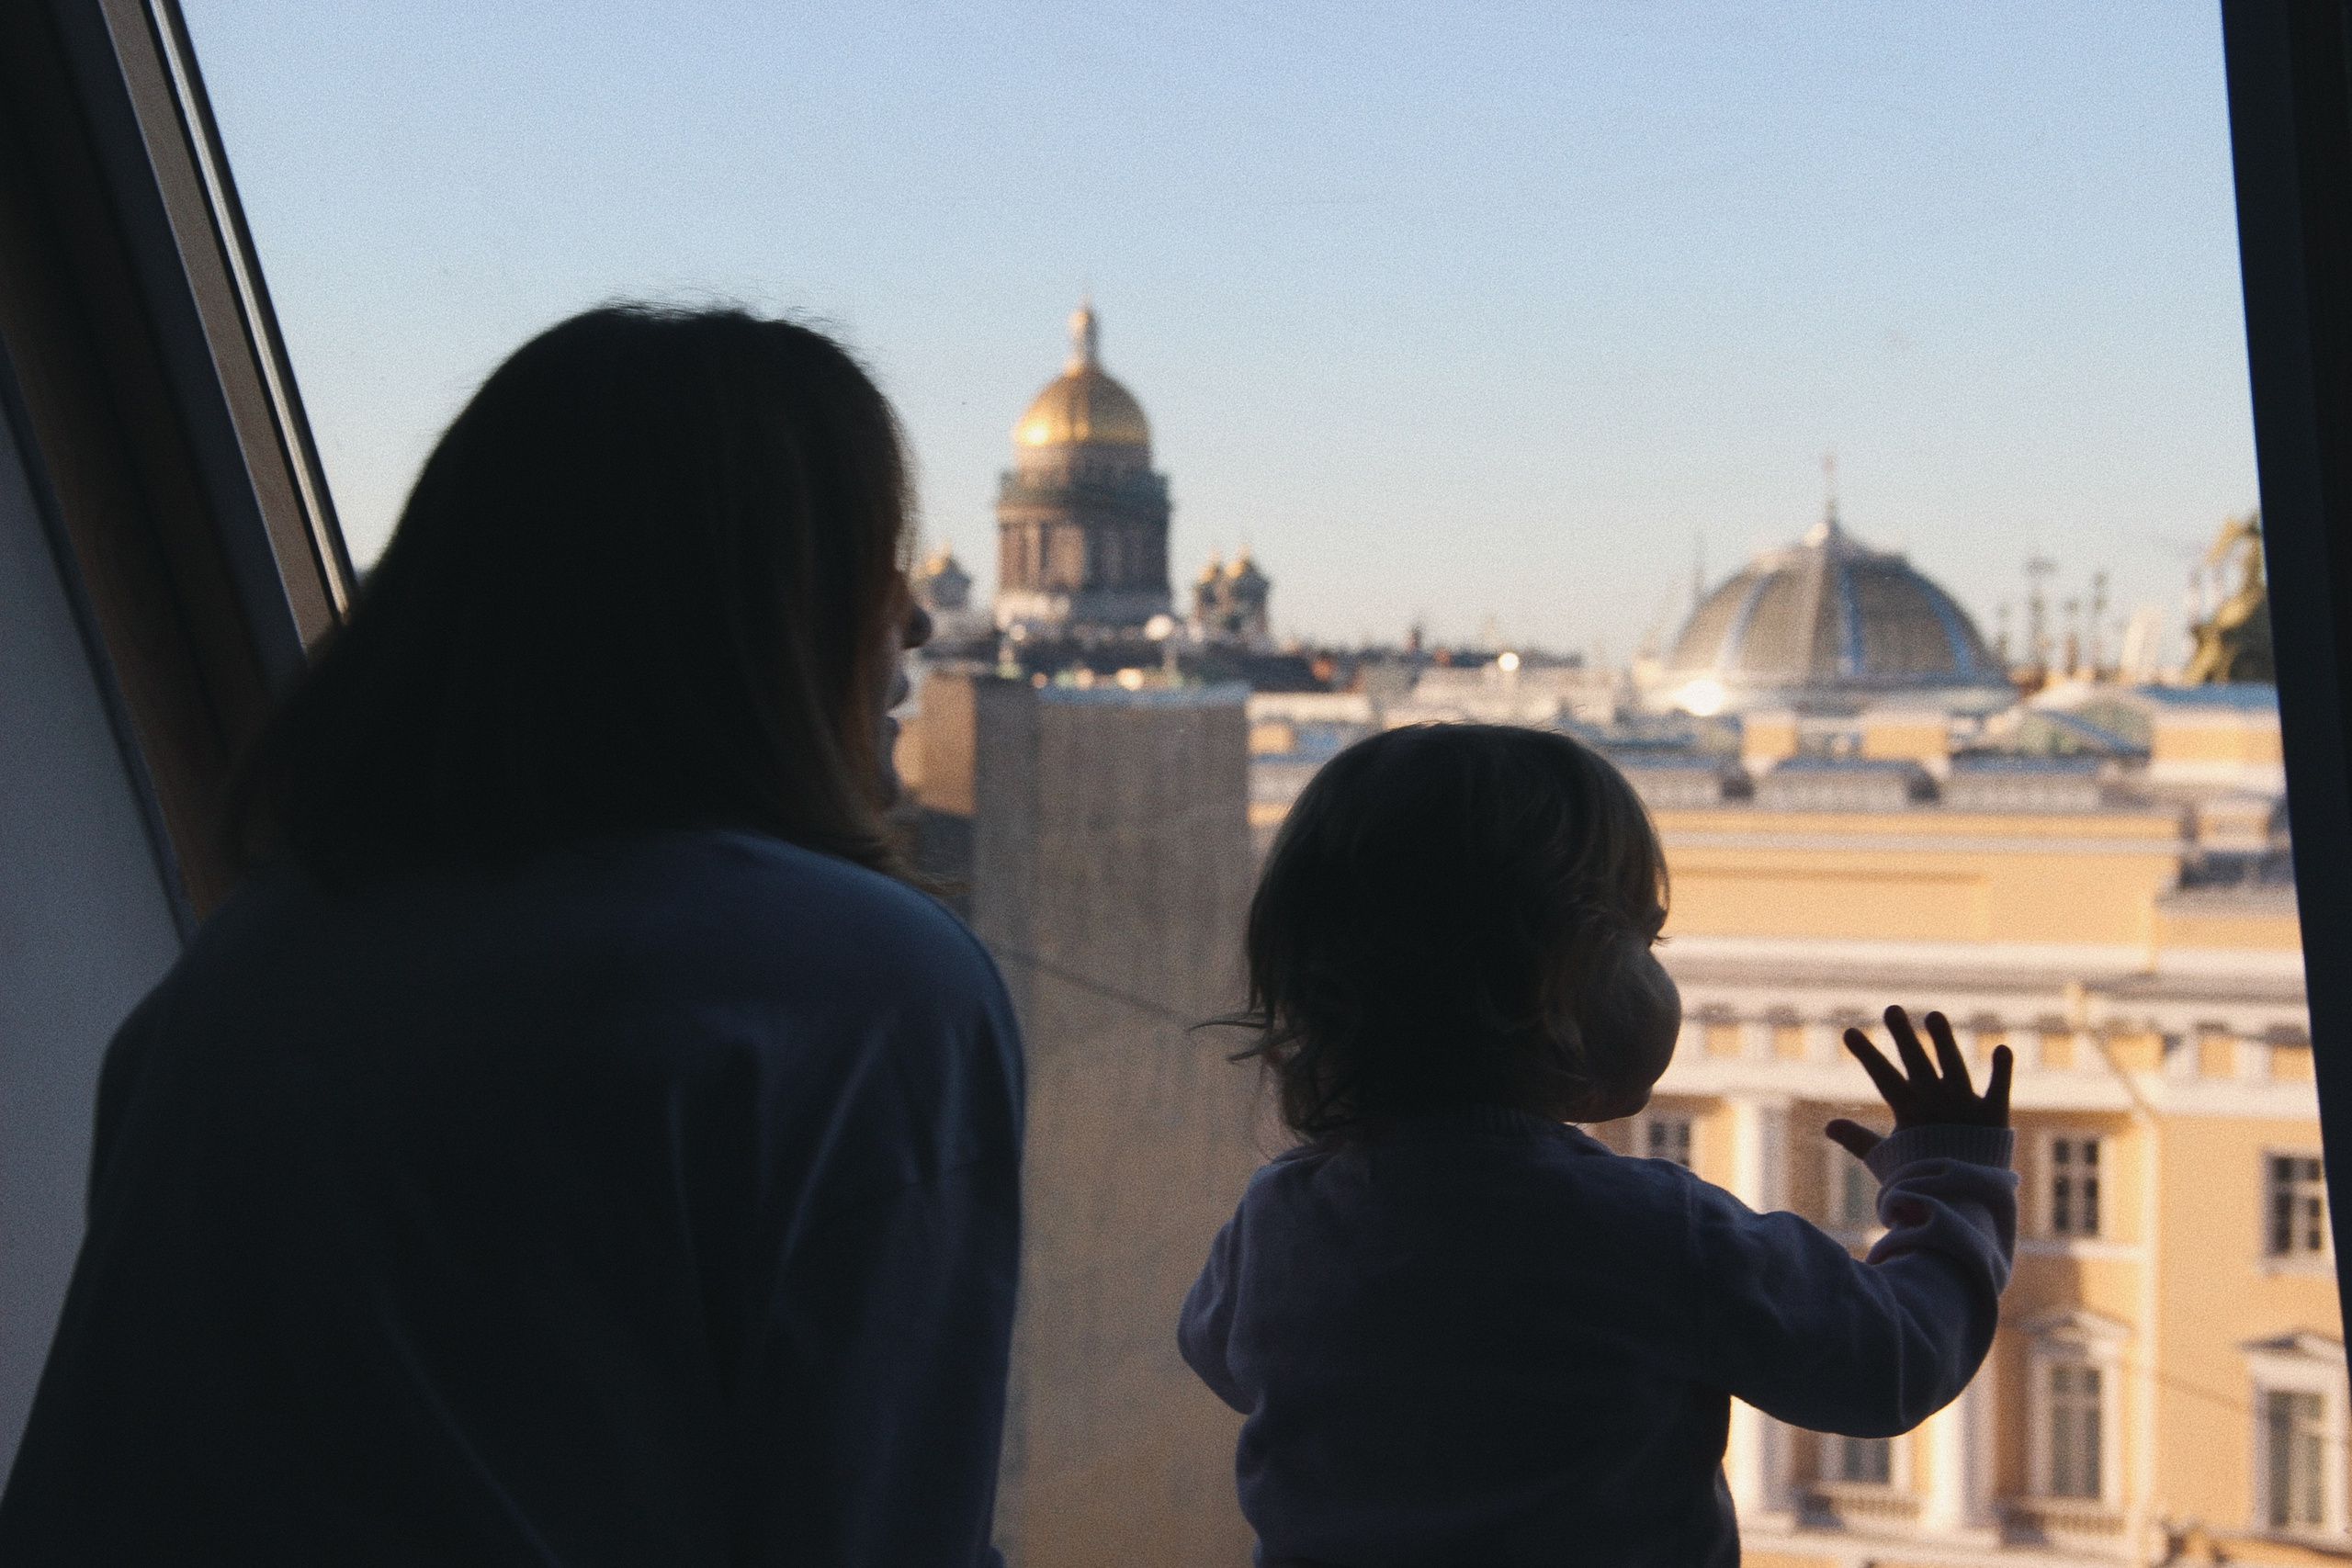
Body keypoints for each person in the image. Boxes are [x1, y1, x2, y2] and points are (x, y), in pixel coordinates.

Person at [0, 307, 1023, 1567]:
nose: (916, 624)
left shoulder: (262, 951)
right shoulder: (851, 981)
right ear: (766, 610)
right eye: (874, 562)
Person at [1177, 724, 2015, 1568]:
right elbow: (1891, 1359)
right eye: (1644, 938)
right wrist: (1955, 1178)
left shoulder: (1280, 1215)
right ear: (1548, 990)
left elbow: (1220, 1354)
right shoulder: (1653, 1232)